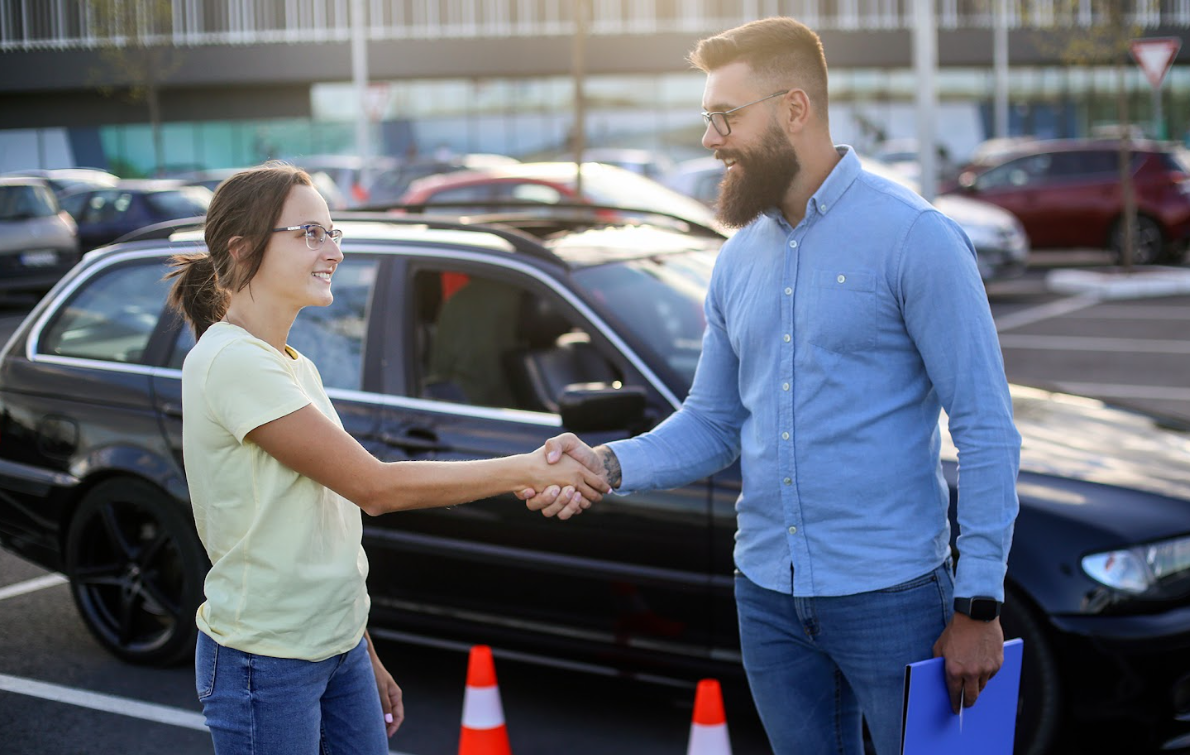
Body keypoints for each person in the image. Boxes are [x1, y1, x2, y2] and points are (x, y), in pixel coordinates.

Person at [524, 17, 1021, 755]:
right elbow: (713, 422)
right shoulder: (735, 261)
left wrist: (979, 601)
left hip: (894, 597)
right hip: (766, 598)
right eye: (706, 118)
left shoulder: (916, 237)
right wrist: (607, 465)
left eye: (725, 117)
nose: (710, 139)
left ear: (796, 108)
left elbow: (985, 427)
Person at [167, 162, 607, 755]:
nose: (333, 251)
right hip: (266, 663)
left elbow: (321, 531)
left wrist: (363, 651)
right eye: (310, 234)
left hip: (336, 648)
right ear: (242, 250)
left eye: (333, 232)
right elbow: (373, 487)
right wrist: (528, 468)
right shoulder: (231, 361)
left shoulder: (292, 364)